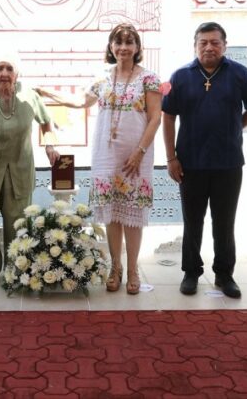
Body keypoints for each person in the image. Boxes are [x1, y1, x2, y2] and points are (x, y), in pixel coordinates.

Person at [35, 23, 161, 294]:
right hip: (106, 156)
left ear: (137, 48)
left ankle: (133, 269)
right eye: (118, 42)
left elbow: (155, 119)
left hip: (136, 156)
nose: (123, 47)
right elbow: (80, 102)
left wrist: (139, 152)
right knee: (113, 213)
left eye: (129, 42)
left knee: (133, 215)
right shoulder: (102, 78)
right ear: (111, 47)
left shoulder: (149, 78)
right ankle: (115, 266)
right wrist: (45, 93)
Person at [162, 21, 247, 299]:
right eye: (203, 42)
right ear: (195, 46)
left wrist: (236, 126)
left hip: (228, 162)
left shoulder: (240, 74)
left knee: (224, 222)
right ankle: (191, 272)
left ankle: (224, 274)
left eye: (215, 42)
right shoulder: (180, 76)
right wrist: (171, 158)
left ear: (224, 45)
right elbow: (168, 117)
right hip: (190, 163)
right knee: (192, 221)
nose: (209, 47)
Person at [0, 52, 59, 289]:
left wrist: (50, 145)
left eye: (9, 69)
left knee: (17, 221)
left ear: (17, 74)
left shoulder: (29, 96)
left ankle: (16, 267)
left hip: (19, 166)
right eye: (0, 69)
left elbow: (47, 122)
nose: (4, 74)